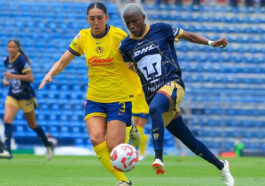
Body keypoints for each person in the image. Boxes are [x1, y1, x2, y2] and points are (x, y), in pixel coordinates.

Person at [119, 3, 234, 186]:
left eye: (134, 21)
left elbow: (188, 35)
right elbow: (131, 67)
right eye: (128, 23)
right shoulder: (126, 46)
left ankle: (158, 157)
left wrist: (211, 42)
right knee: (188, 139)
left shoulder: (161, 29)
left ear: (143, 18)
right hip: (154, 94)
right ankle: (222, 166)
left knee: (155, 108)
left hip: (173, 84)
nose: (131, 26)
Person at [39, 2, 141, 186]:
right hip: (95, 97)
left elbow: (136, 59)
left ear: (107, 18)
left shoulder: (118, 35)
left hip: (119, 97)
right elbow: (63, 61)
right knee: (95, 139)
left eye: (100, 18)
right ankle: (124, 182)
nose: (96, 22)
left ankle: (129, 125)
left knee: (113, 146)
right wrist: (49, 74)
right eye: (92, 19)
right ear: (87, 20)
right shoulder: (83, 37)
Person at [2, 39, 55, 160]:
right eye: (9, 47)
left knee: (32, 125)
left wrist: (12, 76)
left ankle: (48, 144)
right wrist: (6, 80)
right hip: (13, 95)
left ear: (18, 48)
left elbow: (30, 78)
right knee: (7, 120)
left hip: (26, 96)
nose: (11, 49)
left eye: (13, 47)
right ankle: (8, 151)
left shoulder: (22, 60)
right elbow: (8, 76)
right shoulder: (6, 60)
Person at [126, 88, 149, 160]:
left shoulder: (143, 81)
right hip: (134, 108)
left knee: (139, 130)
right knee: (132, 131)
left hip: (144, 109)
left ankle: (142, 153)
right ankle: (133, 152)